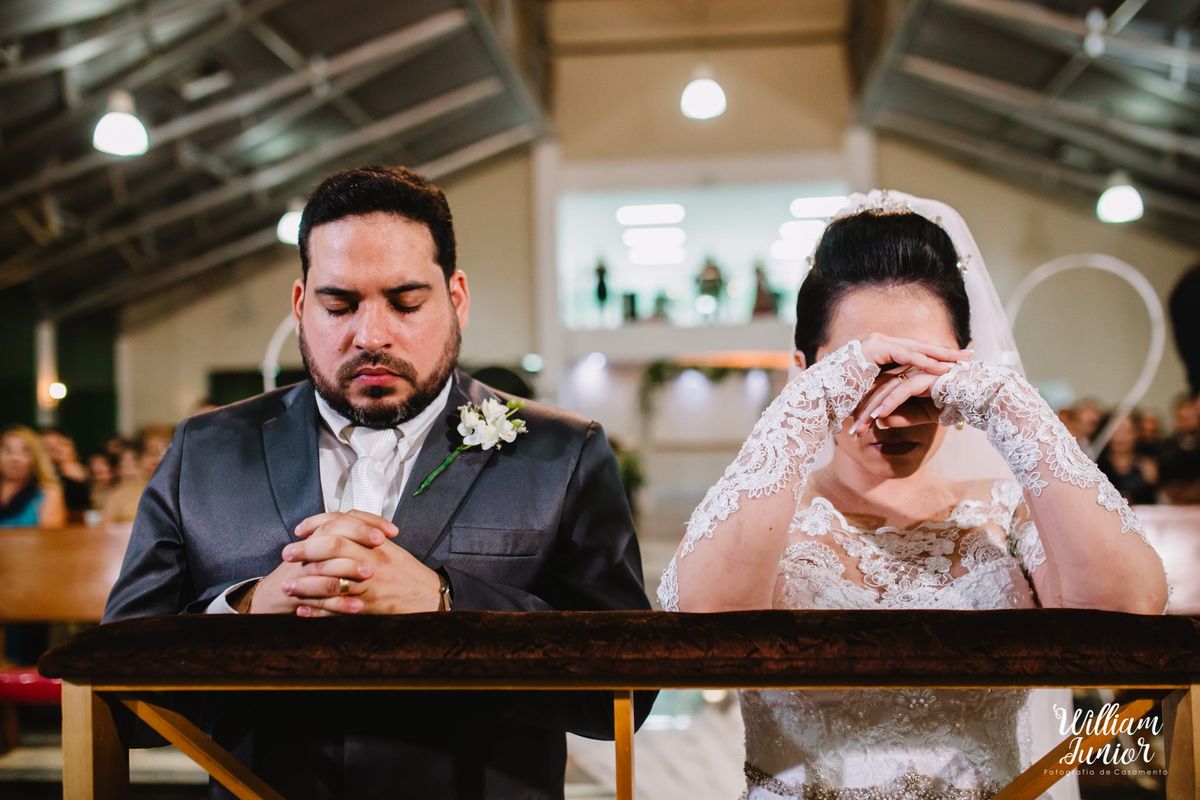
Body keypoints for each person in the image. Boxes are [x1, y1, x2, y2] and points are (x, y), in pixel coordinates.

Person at [103, 165, 652, 799]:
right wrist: (247, 611)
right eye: (339, 305)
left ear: (458, 298)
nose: (371, 335)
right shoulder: (206, 451)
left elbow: (627, 692)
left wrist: (449, 605)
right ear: (301, 305)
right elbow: (118, 686)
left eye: (406, 301)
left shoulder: (562, 453)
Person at [659, 191, 1169, 800]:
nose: (892, 414)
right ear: (807, 372)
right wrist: (808, 405)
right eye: (864, 376)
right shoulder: (767, 518)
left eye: (919, 377)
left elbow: (1128, 608)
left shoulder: (1004, 513)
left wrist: (1007, 404)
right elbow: (706, 622)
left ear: (963, 369)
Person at [0, 425, 66, 529]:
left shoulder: (48, 493)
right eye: (8, 451)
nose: (15, 458)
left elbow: (50, 540)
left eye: (24, 452)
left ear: (35, 459)